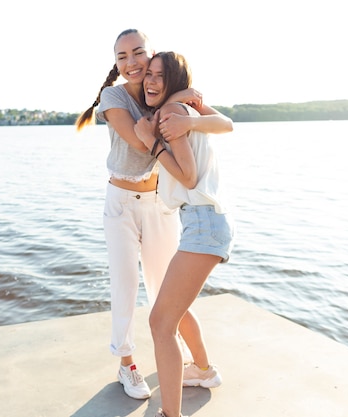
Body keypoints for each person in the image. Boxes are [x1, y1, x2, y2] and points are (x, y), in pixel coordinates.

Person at [76, 29, 232, 400]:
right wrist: (179, 97)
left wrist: (178, 98)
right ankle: (126, 362)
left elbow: (219, 125)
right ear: (116, 64)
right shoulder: (114, 97)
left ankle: (200, 365)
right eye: (121, 57)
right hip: (121, 203)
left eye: (138, 54)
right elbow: (139, 139)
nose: (131, 63)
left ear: (151, 56)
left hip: (159, 204)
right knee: (125, 285)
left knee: (166, 290)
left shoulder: (159, 95)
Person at [134, 51, 234, 417]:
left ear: (174, 80)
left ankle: (169, 414)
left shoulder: (173, 115)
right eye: (149, 75)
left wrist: (152, 143)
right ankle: (203, 372)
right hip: (205, 221)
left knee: (160, 322)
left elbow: (188, 177)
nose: (150, 81)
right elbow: (226, 124)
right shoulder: (178, 109)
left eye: (160, 76)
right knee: (174, 308)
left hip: (203, 222)